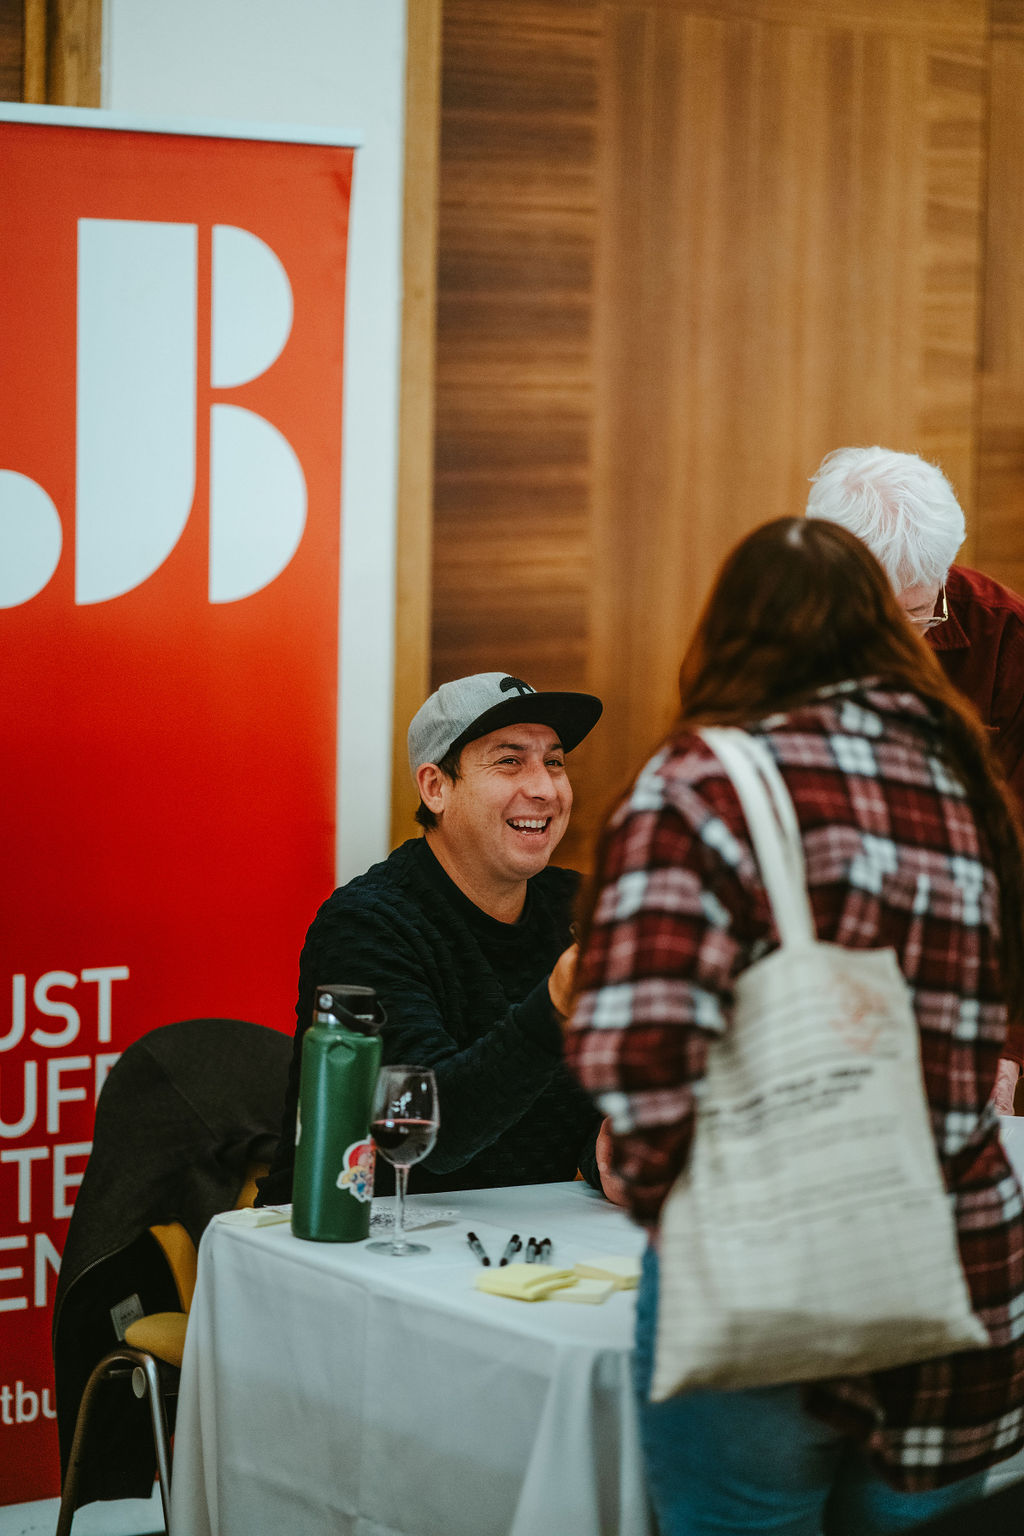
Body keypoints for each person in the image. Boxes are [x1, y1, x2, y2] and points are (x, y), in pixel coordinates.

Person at [565, 518, 1024, 1536]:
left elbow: (634, 1056)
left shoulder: (699, 786)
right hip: (965, 1283)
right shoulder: (962, 790)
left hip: (771, 1280)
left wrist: (656, 1190)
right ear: (888, 636)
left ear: (724, 639)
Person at [258, 671, 607, 1204]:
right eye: (510, 760)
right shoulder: (366, 923)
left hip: (523, 1245)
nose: (543, 788)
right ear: (436, 787)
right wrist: (555, 1006)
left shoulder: (582, 907)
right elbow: (424, 1131)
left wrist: (609, 1157)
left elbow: (585, 1111)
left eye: (554, 761)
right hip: (354, 1244)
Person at [807, 445, 1024, 1113]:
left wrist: (1009, 1047)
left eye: (918, 613)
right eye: (876, 618)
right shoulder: (759, 645)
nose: (903, 645)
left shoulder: (1005, 639)